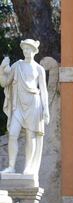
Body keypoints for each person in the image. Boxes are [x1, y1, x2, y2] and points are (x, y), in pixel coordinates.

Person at [0, 39, 50, 178]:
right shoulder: (17, 66)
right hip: (18, 105)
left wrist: (46, 110)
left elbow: (44, 90)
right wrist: (2, 69)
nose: (26, 51)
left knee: (30, 136)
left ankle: (28, 168)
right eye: (24, 49)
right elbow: (4, 83)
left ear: (34, 51)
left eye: (28, 49)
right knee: (13, 134)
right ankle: (11, 166)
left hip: (34, 103)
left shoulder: (39, 69)